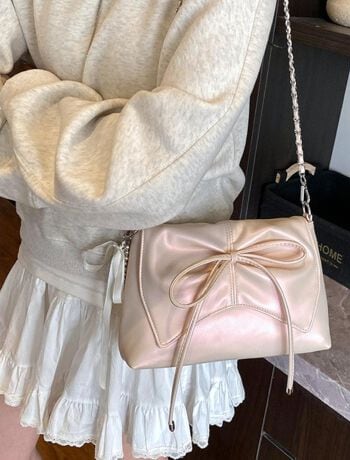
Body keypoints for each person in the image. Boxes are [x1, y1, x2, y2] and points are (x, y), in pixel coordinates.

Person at [0, 0, 278, 459]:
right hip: (48, 269)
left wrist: (20, 103)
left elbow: (147, 180)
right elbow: (141, 170)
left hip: (163, 292)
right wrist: (98, 148)